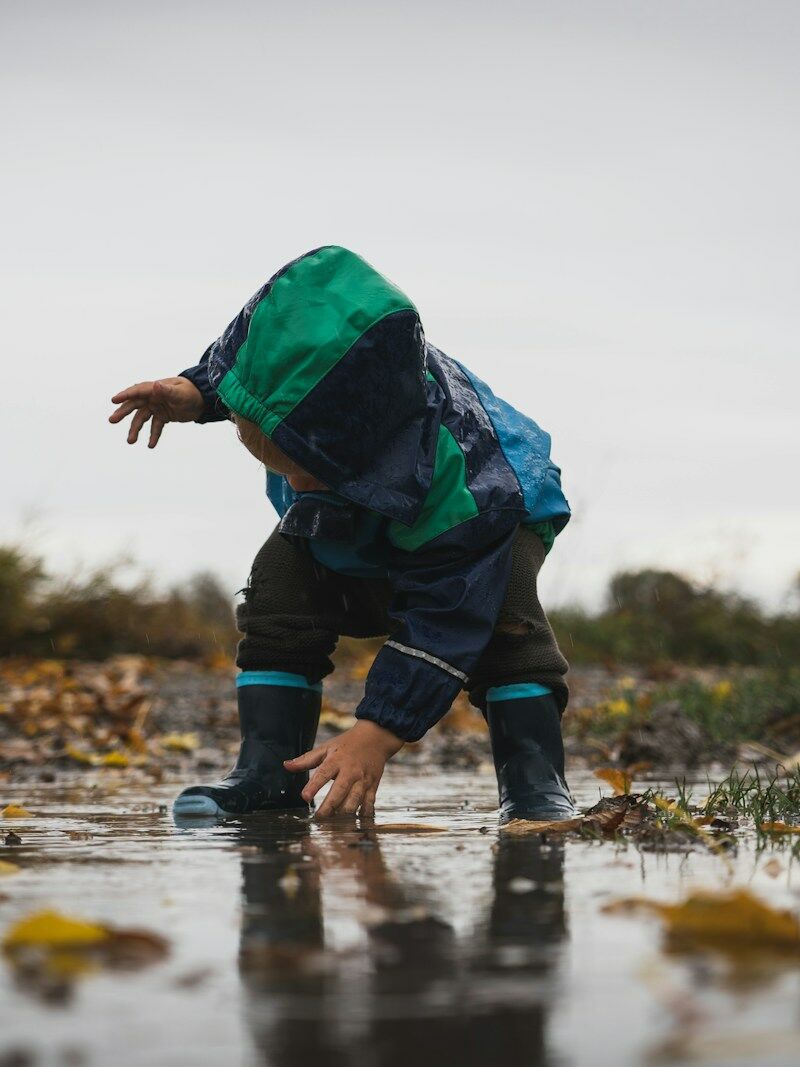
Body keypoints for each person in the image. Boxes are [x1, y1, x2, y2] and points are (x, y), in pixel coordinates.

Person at [109, 246, 574, 822]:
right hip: (365, 498)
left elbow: (446, 615)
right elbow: (264, 366)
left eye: (310, 465)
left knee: (505, 620)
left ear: (357, 437)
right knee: (280, 581)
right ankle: (267, 773)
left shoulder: (466, 496)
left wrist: (376, 734)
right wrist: (199, 392)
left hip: (494, 517)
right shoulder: (304, 398)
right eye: (276, 458)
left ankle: (534, 784)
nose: (296, 484)